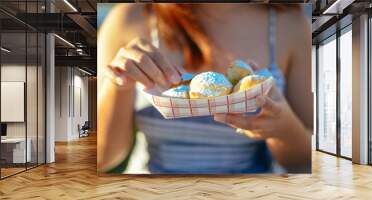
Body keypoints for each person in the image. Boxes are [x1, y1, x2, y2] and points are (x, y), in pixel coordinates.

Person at [97, 3, 313, 174]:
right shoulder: (127, 20)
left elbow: (305, 163)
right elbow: (103, 159)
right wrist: (120, 85)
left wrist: (283, 129)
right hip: (154, 197)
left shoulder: (290, 25)